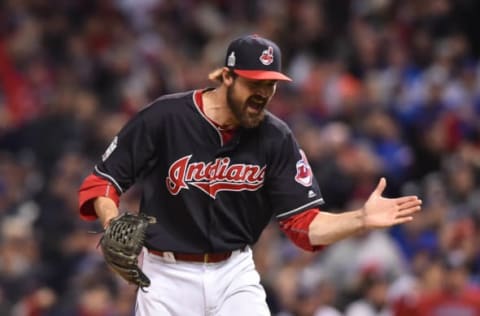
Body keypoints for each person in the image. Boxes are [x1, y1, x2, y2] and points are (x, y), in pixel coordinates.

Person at [78, 34, 422, 316]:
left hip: (233, 273)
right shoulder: (165, 118)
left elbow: (304, 225)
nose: (263, 93)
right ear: (226, 77)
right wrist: (111, 222)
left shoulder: (275, 137)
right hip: (166, 276)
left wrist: (360, 218)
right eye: (254, 82)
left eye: (271, 84)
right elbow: (103, 180)